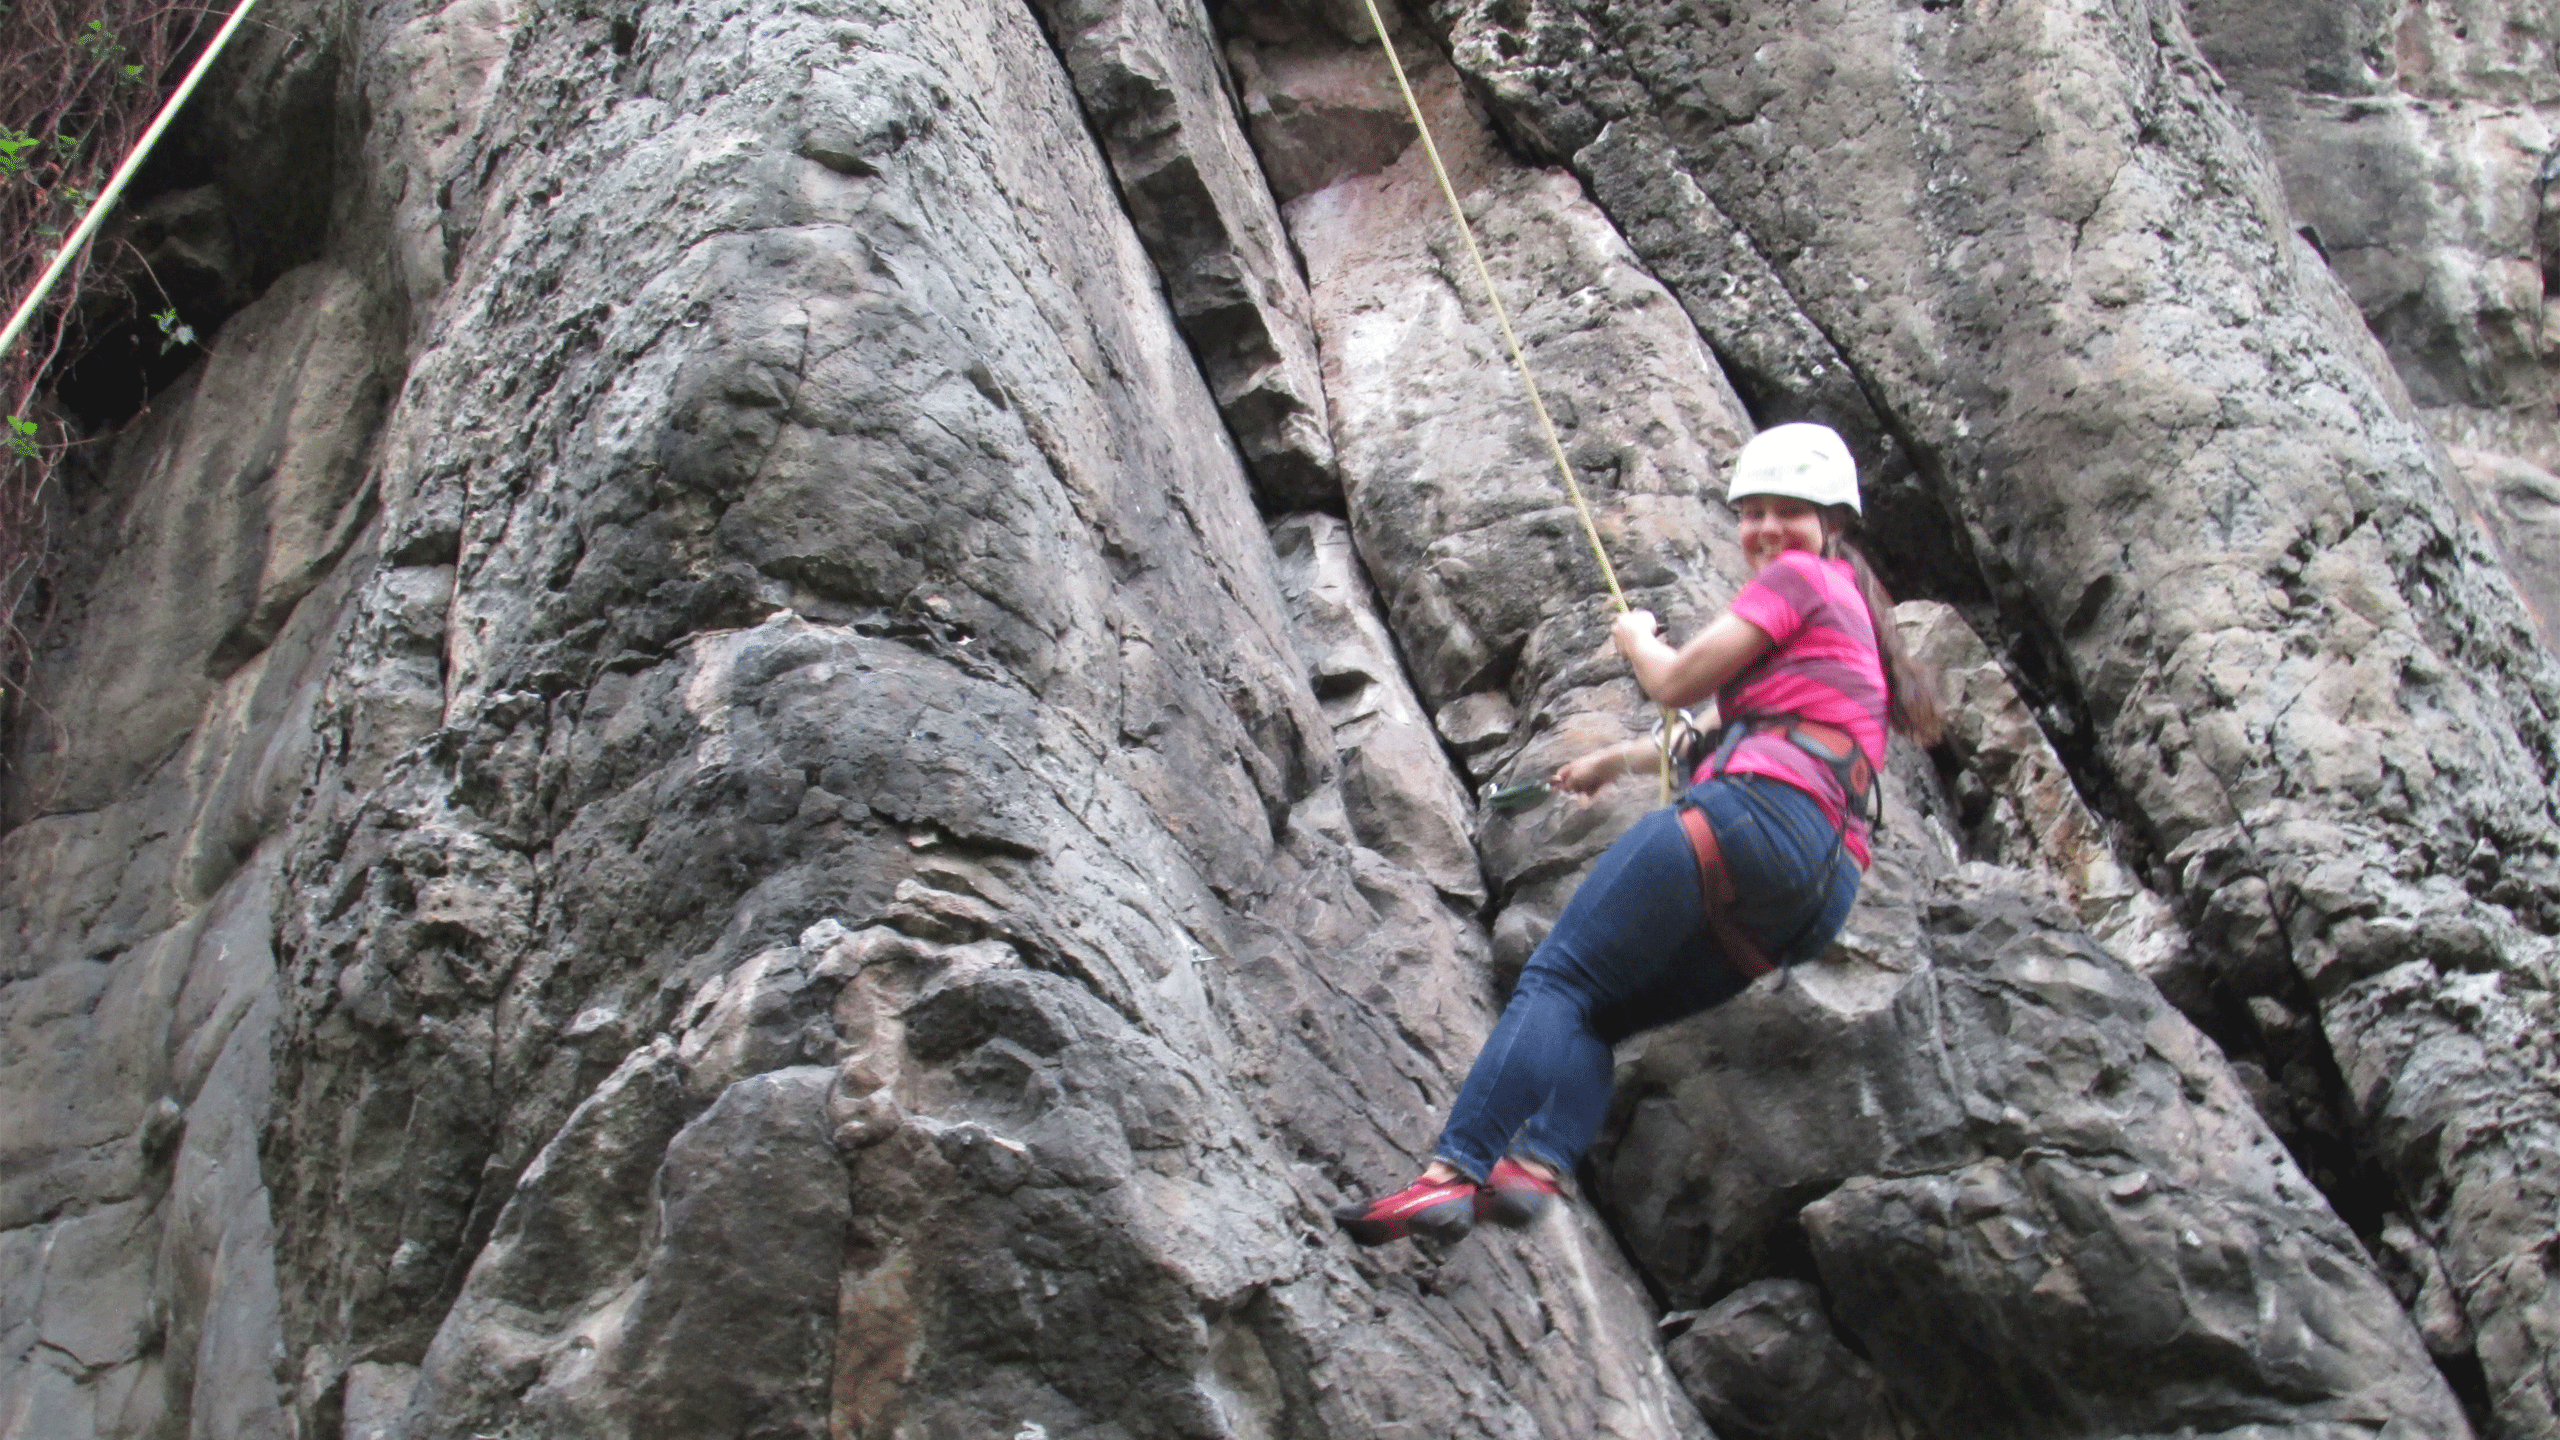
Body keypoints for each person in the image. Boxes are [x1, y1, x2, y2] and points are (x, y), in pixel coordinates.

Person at [1334, 422, 1944, 1245]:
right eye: (1751, 512)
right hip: (1817, 892)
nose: (1766, 531)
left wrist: (1636, 641)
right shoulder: (1849, 633)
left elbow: (1677, 684)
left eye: (1788, 512)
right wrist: (1611, 765)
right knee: (1598, 1017)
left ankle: (1452, 1174)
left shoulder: (1803, 577)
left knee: (1557, 979)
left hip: (1753, 818)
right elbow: (1705, 725)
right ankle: (1539, 1166)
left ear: (1831, 522)